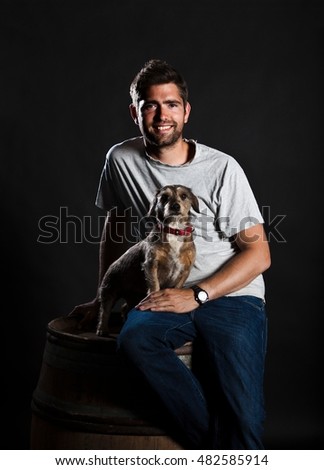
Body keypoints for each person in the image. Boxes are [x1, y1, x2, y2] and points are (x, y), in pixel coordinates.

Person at [70, 59, 271, 449]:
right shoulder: (120, 160)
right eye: (150, 105)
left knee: (244, 413)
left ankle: (234, 448)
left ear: (186, 111)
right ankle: (215, 450)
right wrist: (101, 298)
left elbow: (259, 255)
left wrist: (197, 295)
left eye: (172, 104)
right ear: (135, 112)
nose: (161, 115)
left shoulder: (222, 168)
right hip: (164, 294)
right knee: (134, 343)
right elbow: (117, 229)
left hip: (231, 296)